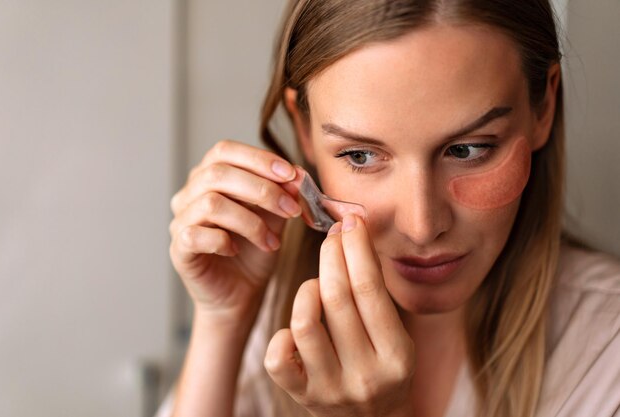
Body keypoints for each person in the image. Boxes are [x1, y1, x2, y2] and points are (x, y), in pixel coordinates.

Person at [162, 1, 620, 416]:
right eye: (360, 156)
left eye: (467, 150)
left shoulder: (606, 347)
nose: (421, 227)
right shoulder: (277, 306)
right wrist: (223, 320)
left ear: (545, 106)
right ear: (304, 129)